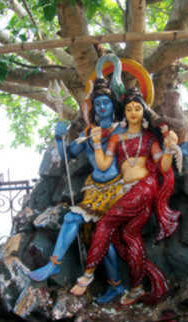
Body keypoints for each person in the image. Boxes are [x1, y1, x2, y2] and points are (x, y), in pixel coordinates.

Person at [70, 88, 180, 305]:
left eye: (137, 108)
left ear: (143, 112)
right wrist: (96, 143)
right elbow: (102, 164)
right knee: (129, 237)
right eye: (128, 108)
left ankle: (87, 275)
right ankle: (137, 287)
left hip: (145, 187)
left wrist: (168, 149)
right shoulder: (116, 138)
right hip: (124, 190)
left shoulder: (149, 139)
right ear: (124, 112)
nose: (132, 112)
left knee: (105, 224)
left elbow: (163, 167)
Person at [28, 77, 126, 304]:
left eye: (106, 103)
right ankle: (54, 264)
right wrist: (58, 137)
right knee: (73, 218)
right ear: (93, 108)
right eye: (98, 103)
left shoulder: (120, 129)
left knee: (106, 240)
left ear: (113, 106)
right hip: (93, 188)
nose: (102, 107)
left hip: (115, 190)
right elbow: (66, 155)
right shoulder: (88, 133)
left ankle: (115, 285)